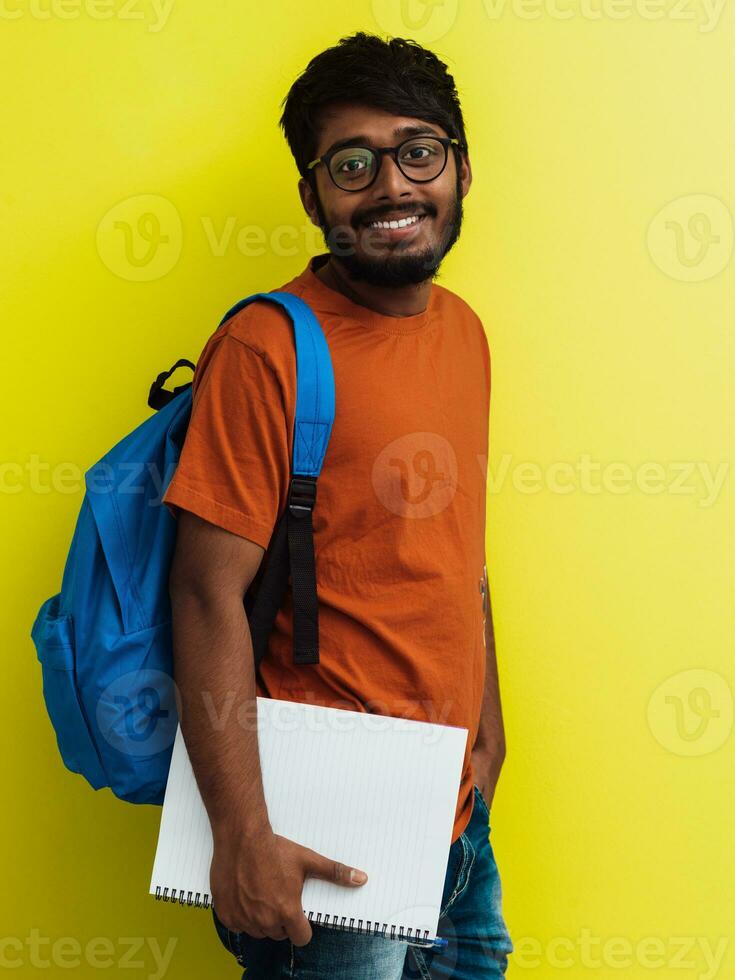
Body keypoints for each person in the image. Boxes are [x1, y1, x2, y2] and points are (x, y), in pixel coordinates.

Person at [162, 30, 513, 980]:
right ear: (315, 195)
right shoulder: (267, 348)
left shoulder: (464, 332)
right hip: (321, 822)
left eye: (417, 151)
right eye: (352, 164)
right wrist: (241, 834)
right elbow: (204, 596)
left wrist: (487, 722)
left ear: (460, 169)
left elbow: (448, 547)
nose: (392, 186)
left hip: (453, 811)